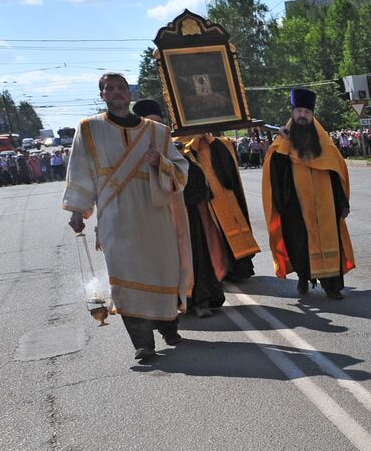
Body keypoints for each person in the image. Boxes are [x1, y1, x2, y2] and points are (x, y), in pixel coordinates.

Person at [62, 73, 190, 363]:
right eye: (110, 89)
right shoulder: (89, 129)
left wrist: (162, 162)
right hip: (115, 217)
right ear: (102, 95)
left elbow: (181, 169)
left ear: (130, 94)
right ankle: (143, 342)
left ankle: (168, 325)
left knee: (162, 270)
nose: (117, 92)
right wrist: (77, 211)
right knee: (125, 279)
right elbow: (80, 169)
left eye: (122, 88)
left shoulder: (158, 131)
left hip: (155, 213)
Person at [130, 98, 225, 320]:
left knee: (193, 256)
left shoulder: (174, 149)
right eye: (148, 124)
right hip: (151, 219)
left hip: (184, 216)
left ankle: (199, 300)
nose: (154, 129)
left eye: (158, 124)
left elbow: (193, 178)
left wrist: (162, 163)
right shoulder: (130, 154)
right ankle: (166, 306)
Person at [262, 88, 355, 298]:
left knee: (330, 243)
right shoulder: (282, 142)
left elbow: (335, 174)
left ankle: (332, 286)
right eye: (299, 111)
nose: (302, 115)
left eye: (307, 112)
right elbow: (274, 172)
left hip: (326, 206)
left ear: (312, 115)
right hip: (295, 207)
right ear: (292, 113)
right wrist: (284, 142)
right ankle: (303, 278)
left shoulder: (324, 143)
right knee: (300, 246)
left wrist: (343, 202)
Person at [177, 126, 258, 284]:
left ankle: (241, 268)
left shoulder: (220, 143)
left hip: (226, 197)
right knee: (215, 236)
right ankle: (222, 269)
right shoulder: (180, 145)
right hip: (206, 201)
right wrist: (195, 142)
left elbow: (228, 167)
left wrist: (209, 141)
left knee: (235, 232)